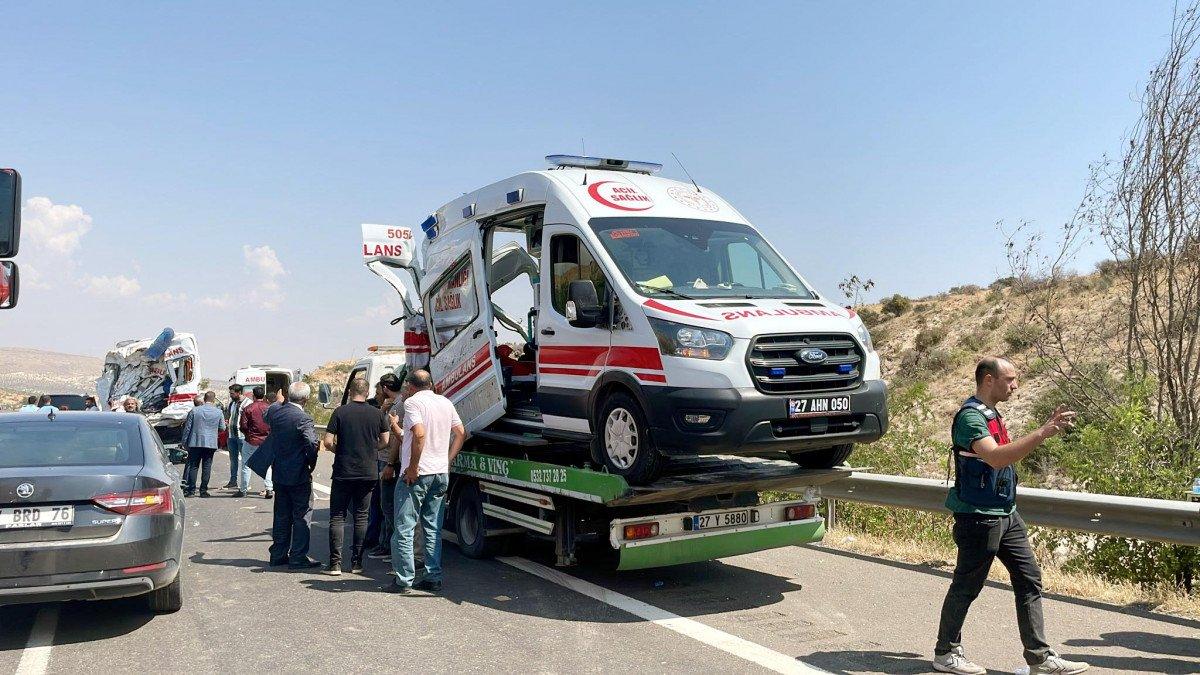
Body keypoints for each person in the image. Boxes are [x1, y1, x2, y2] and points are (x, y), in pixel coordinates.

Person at [933, 357, 1088, 675]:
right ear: (988, 380)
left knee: (1029, 578)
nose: (1015, 385)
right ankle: (945, 653)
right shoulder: (970, 418)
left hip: (1006, 514)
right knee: (967, 585)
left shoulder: (991, 413)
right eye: (1010, 379)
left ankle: (1040, 657)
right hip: (978, 517)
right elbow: (996, 458)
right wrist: (1042, 433)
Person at [384, 369, 465, 594]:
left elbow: (419, 435)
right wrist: (447, 460)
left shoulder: (412, 404)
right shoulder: (445, 403)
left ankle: (404, 579)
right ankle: (432, 577)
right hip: (440, 473)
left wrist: (412, 467)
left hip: (417, 475)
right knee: (432, 528)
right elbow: (460, 433)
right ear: (430, 384)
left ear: (410, 386)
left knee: (404, 527)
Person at [321, 378, 389, 575]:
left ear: (350, 392)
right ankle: (357, 563)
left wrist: (340, 450)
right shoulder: (377, 413)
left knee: (337, 516)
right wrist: (369, 450)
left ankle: (335, 564)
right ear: (367, 393)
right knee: (361, 517)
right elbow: (385, 440)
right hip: (368, 472)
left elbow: (326, 442)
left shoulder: (340, 412)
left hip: (343, 471)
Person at [263, 382, 321, 569]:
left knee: (281, 515)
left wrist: (280, 402)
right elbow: (312, 442)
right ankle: (297, 557)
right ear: (305, 399)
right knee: (302, 515)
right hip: (298, 473)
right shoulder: (303, 418)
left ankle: (278, 554)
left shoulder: (275, 413)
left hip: (279, 471)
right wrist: (311, 462)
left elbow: (268, 412)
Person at [364, 372, 403, 559]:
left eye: (379, 388)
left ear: (385, 388)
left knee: (388, 506)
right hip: (386, 459)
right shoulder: (390, 404)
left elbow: (394, 437)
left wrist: (390, 464)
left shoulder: (398, 406)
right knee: (383, 504)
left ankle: (389, 546)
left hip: (389, 460)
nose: (377, 392)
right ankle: (385, 543)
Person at [181, 391, 227, 498]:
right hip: (210, 443)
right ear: (214, 399)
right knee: (207, 467)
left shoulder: (194, 410)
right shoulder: (218, 412)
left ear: (204, 399)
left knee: (193, 466)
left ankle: (191, 490)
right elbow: (222, 428)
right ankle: (203, 490)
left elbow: (188, 428)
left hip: (195, 442)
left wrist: (184, 442)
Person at [238, 386, 274, 499]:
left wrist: (248, 435)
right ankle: (269, 489)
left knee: (246, 465)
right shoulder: (269, 408)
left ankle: (243, 490)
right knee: (267, 465)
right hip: (266, 442)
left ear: (253, 395)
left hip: (251, 441)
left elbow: (243, 426)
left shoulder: (248, 408)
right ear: (263, 396)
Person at [224, 384, 247, 490]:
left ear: (239, 393)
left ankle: (244, 483)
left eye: (232, 393)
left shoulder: (247, 403)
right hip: (231, 436)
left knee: (244, 461)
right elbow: (228, 416)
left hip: (242, 436)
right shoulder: (231, 404)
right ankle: (233, 481)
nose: (231, 395)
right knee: (233, 460)